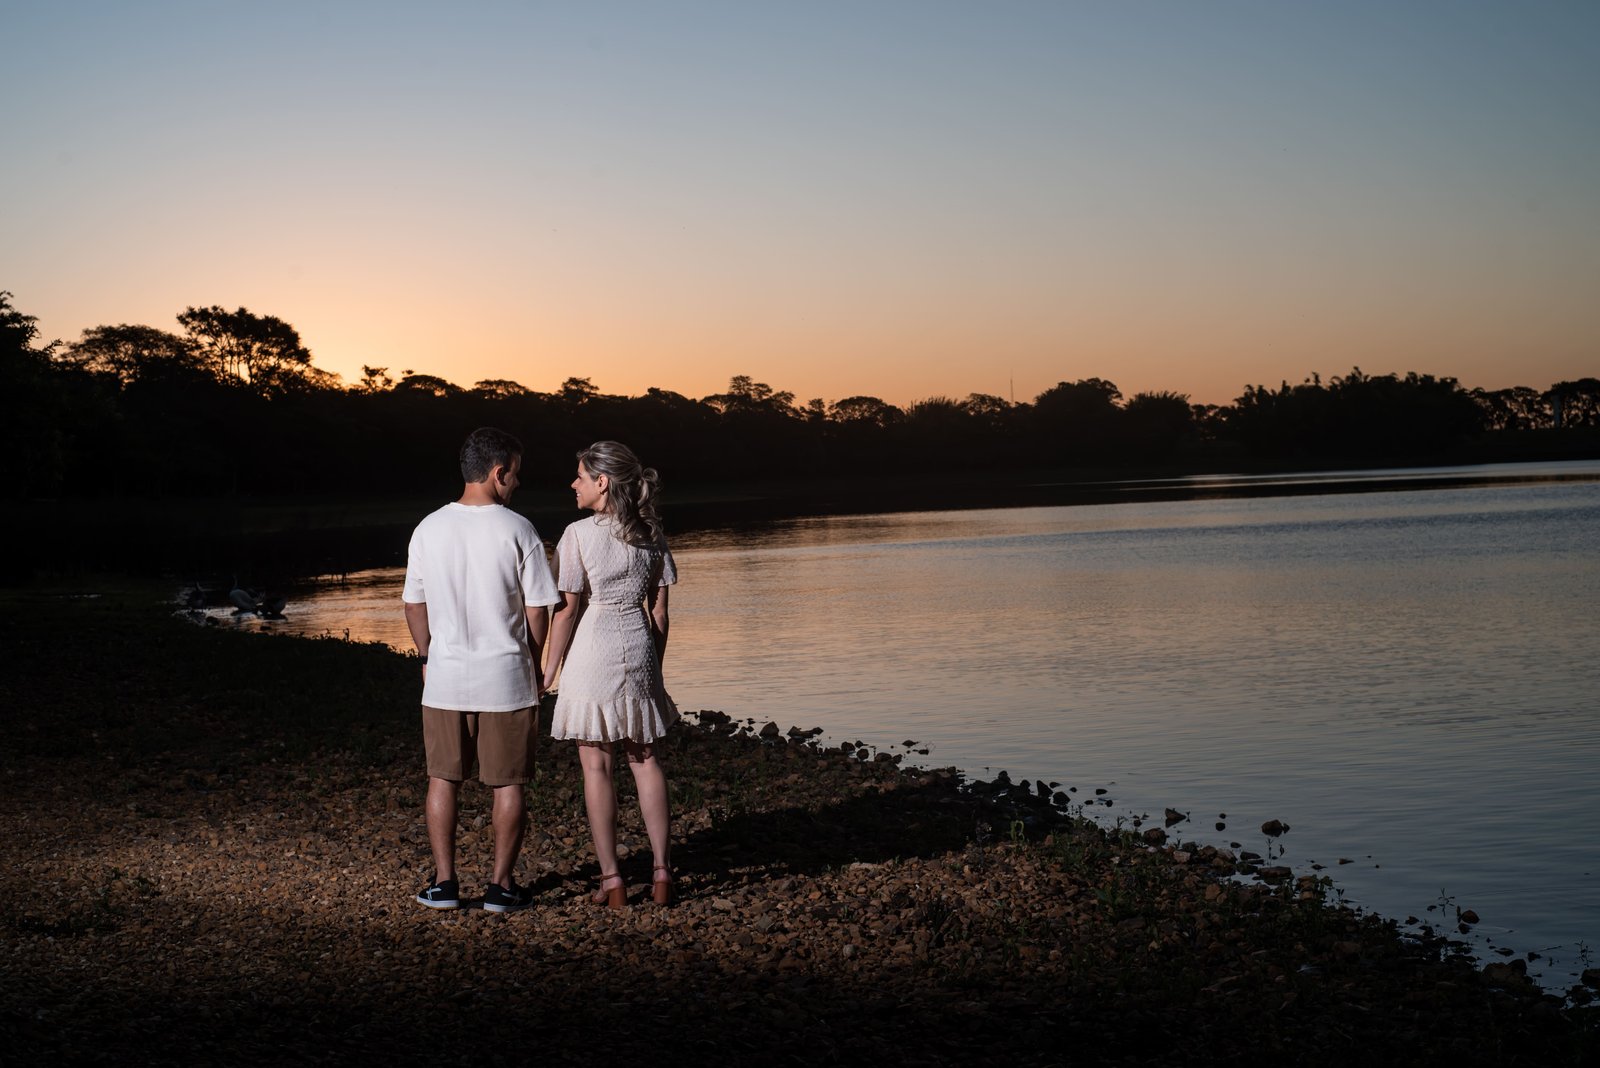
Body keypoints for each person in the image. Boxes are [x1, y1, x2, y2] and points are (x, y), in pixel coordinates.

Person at [403, 427, 560, 913]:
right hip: (505, 677)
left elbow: (414, 604)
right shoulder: (519, 529)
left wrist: (427, 655)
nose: (518, 483)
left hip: (445, 676)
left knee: (442, 778)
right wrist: (534, 661)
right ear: (498, 472)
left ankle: (444, 884)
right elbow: (538, 609)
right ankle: (500, 887)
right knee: (508, 782)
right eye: (516, 473)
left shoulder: (428, 528)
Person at [542, 441, 678, 907]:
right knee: (645, 759)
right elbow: (659, 612)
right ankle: (662, 872)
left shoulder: (578, 534)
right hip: (638, 646)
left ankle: (613, 880)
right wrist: (654, 667)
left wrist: (548, 670)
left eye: (580, 476)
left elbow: (566, 611)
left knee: (596, 765)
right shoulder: (651, 533)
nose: (573, 484)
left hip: (593, 650)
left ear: (602, 482)